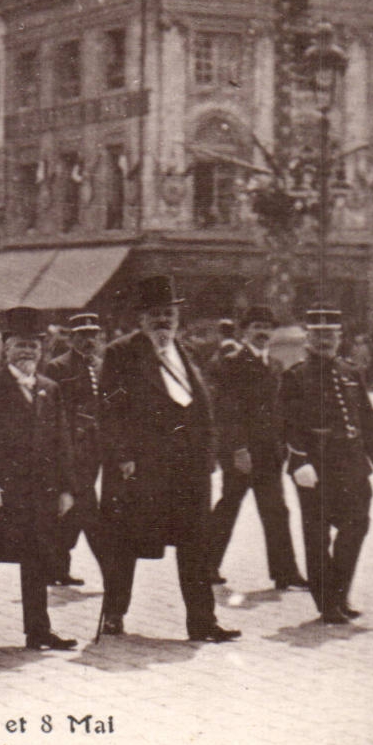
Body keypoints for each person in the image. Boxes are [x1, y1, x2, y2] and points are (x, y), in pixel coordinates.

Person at [98, 275, 238, 643]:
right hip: (143, 468)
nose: (163, 322)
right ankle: (113, 614)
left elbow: (203, 408)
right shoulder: (121, 353)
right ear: (141, 319)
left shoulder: (185, 352)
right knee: (126, 543)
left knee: (196, 544)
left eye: (169, 315)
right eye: (155, 315)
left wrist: (209, 458)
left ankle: (202, 622)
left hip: (188, 470)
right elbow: (109, 411)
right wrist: (123, 456)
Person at [0, 307, 77, 652]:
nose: (28, 352)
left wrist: (67, 488)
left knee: (37, 562)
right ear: (5, 348)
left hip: (39, 495)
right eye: (20, 345)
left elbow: (62, 441)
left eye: (34, 346)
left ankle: (38, 629)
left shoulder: (48, 389)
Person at [280, 308, 373, 620]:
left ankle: (338, 593)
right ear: (308, 338)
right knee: (318, 536)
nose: (324, 340)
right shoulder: (296, 375)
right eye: (318, 335)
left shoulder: (350, 372)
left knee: (357, 526)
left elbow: (366, 417)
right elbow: (287, 423)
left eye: (330, 335)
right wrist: (299, 460)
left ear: (340, 338)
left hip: (353, 466)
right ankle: (328, 603)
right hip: (315, 468)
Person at [206, 304, 304, 591]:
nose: (263, 333)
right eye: (256, 327)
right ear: (245, 331)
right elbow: (226, 409)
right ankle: (205, 565)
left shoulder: (273, 364)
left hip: (269, 453)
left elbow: (279, 410)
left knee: (276, 511)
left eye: (267, 328)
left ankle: (285, 572)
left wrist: (284, 445)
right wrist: (237, 449)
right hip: (242, 454)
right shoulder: (232, 362)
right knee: (229, 506)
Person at [44, 312, 107, 587]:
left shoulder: (103, 366)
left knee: (74, 510)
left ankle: (58, 567)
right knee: (87, 508)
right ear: (71, 338)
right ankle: (112, 572)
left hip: (96, 449)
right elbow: (52, 410)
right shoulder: (57, 367)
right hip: (71, 449)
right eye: (82, 335)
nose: (88, 341)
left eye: (92, 335)